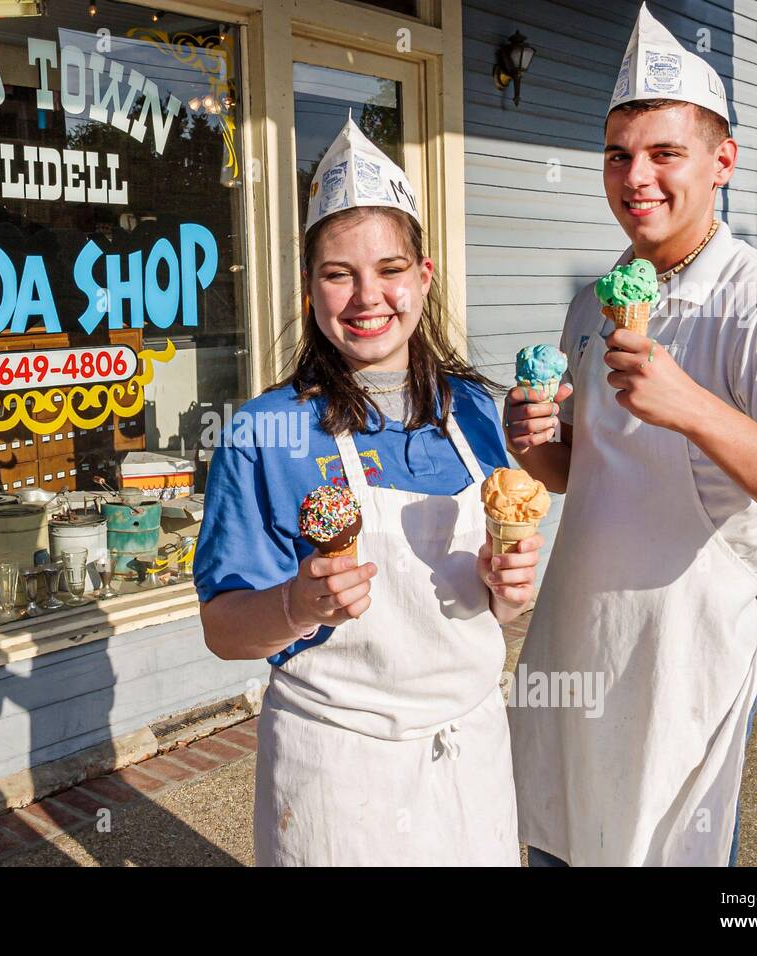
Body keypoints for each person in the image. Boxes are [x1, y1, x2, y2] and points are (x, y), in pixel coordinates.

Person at [504, 4, 757, 867]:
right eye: (619, 154)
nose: (638, 177)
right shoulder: (591, 304)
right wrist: (533, 445)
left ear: (722, 163)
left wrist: (694, 405)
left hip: (684, 670)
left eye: (666, 153)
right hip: (572, 646)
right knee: (555, 847)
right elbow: (579, 475)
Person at [194, 118, 535, 866]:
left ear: (425, 276)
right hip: (336, 774)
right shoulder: (262, 433)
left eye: (389, 269)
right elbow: (224, 630)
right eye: (338, 273)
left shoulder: (476, 412)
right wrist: (295, 605)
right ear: (310, 285)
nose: (366, 297)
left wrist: (511, 589)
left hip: (470, 755)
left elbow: (505, 610)